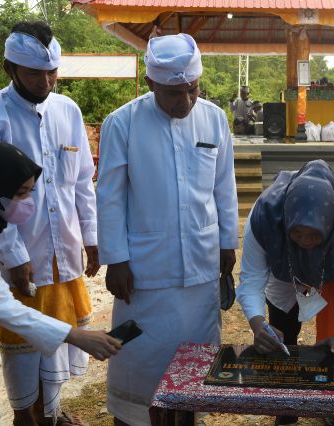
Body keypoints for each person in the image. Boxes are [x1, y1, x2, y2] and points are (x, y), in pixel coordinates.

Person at [97, 33, 238, 426]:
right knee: (140, 360)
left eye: (192, 90)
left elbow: (224, 187)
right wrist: (116, 260)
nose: (186, 102)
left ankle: (189, 417)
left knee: (195, 359)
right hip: (143, 270)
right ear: (152, 83)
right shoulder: (122, 123)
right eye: (175, 93)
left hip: (201, 263)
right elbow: (108, 197)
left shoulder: (213, 118)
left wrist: (228, 242)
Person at [0, 21, 102, 425]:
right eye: (34, 73)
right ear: (10, 70)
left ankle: (52, 412)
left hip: (65, 248)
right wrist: (13, 257)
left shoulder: (68, 110)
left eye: (52, 72)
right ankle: (26, 416)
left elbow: (81, 181)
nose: (46, 81)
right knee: (23, 343)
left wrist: (92, 238)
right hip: (23, 252)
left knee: (56, 343)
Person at [0, 142, 121, 426]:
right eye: (20, 193)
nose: (28, 202)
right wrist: (76, 336)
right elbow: (0, 305)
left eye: (30, 191)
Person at [237, 159, 334, 426]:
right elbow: (252, 279)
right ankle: (286, 409)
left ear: (331, 225)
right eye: (297, 232)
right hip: (283, 277)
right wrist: (258, 326)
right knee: (282, 339)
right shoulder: (265, 216)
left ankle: (332, 404)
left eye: (314, 235)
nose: (304, 242)